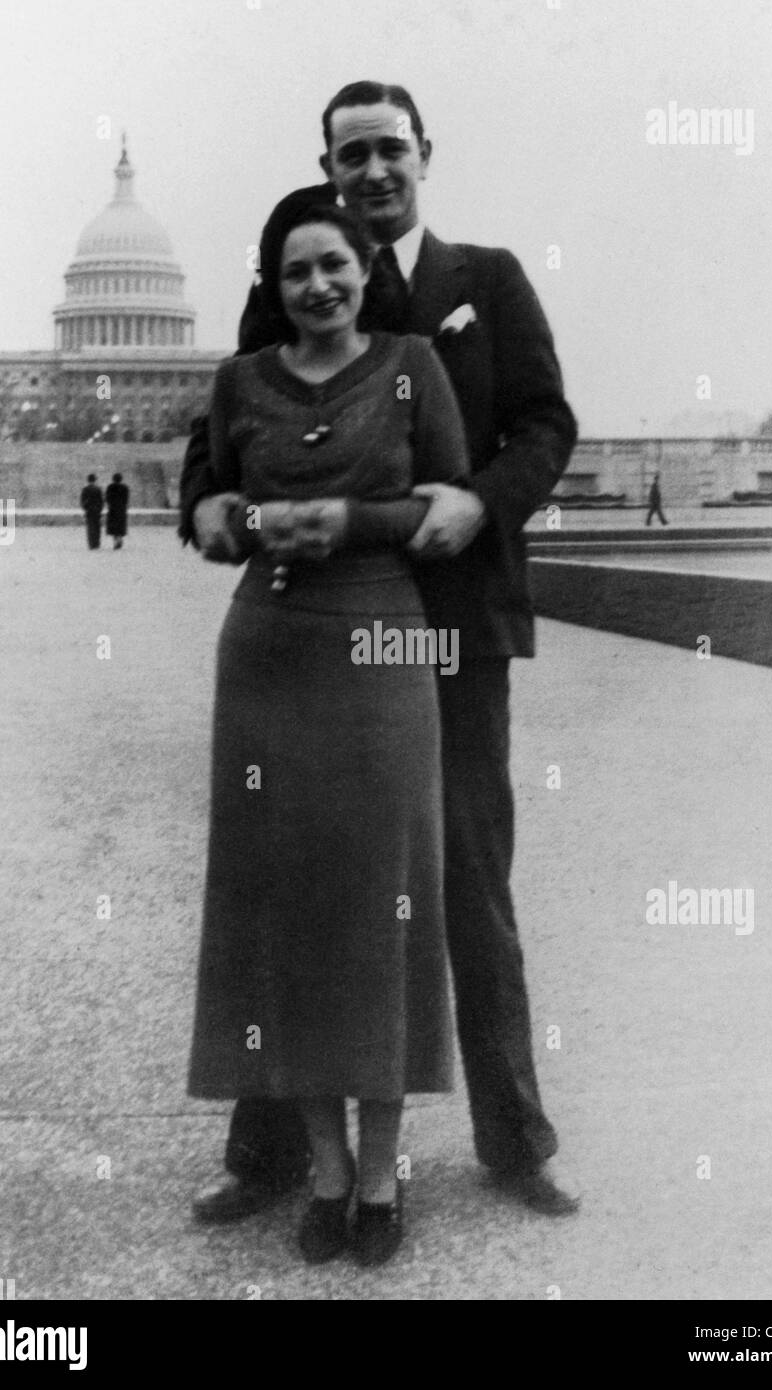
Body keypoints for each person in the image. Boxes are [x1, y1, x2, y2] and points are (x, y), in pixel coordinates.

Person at [180, 80, 580, 1222]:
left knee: (467, 881)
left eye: (389, 150)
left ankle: (513, 1139)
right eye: (350, 153)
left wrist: (479, 501)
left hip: (456, 627)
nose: (371, 171)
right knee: (292, 885)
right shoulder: (300, 277)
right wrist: (204, 503)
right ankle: (269, 1154)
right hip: (320, 629)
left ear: (424, 155)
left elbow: (547, 421)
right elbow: (229, 427)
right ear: (328, 163)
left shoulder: (485, 280)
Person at [187, 201, 470, 1265]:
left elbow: (442, 501)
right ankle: (325, 1169)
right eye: (296, 270)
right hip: (269, 643)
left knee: (383, 896)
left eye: (335, 265)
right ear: (274, 281)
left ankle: (386, 1170)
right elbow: (213, 498)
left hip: (383, 636)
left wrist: (353, 522)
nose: (318, 286)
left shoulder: (408, 366)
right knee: (286, 903)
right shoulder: (238, 380)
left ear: (364, 270)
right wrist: (236, 521)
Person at [104, 472, 130, 548]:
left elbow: (107, 498)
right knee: (120, 525)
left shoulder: (110, 487)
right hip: (121, 509)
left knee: (114, 526)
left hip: (112, 509)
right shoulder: (125, 487)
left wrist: (110, 504)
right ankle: (120, 538)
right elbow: (126, 499)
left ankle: (116, 540)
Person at [80, 473, 103, 549]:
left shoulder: (85, 489)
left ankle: (91, 543)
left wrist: (85, 508)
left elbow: (82, 501)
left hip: (89, 510)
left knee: (90, 527)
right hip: (97, 511)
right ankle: (97, 543)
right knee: (97, 527)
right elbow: (101, 501)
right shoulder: (98, 489)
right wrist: (100, 509)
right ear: (95, 480)